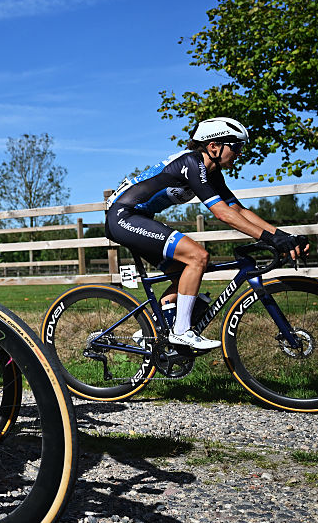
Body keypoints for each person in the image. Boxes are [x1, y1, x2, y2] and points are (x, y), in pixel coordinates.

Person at [106, 117, 307, 350]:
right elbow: (222, 214)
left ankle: (152, 331)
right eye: (236, 147)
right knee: (198, 256)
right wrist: (270, 238)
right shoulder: (192, 163)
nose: (240, 153)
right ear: (214, 146)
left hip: (137, 219)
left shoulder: (211, 173)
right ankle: (181, 331)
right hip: (124, 217)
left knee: (185, 276)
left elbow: (239, 210)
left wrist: (283, 236)